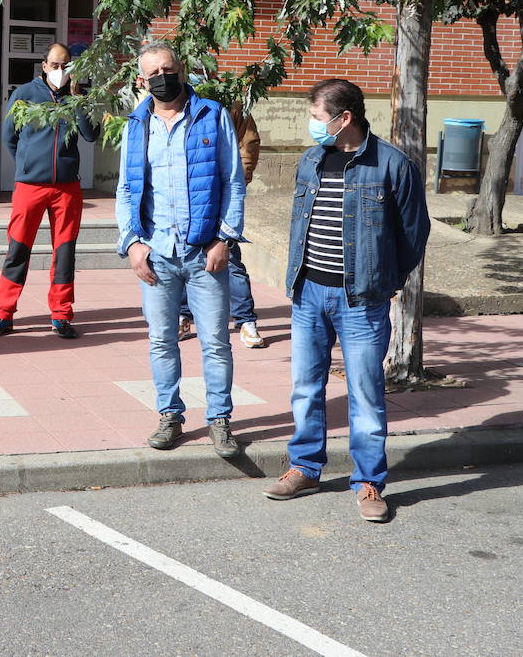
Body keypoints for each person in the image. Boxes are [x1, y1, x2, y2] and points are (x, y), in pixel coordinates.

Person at [263, 78, 430, 522]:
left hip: (361, 300)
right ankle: (305, 467)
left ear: (345, 118)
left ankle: (370, 481)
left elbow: (415, 234)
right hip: (308, 293)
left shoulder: (393, 165)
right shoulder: (312, 159)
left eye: (318, 118)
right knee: (305, 387)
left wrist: (387, 279)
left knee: (365, 393)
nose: (312, 126)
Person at [115, 44, 247, 455]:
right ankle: (170, 415)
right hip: (157, 254)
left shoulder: (212, 114)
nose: (161, 77)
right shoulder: (136, 125)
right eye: (153, 72)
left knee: (215, 341)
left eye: (168, 69)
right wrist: (132, 243)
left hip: (204, 252)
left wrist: (225, 238)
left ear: (182, 69)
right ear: (142, 80)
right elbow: (125, 189)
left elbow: (233, 181)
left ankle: (220, 420)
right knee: (161, 341)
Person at [0, 43, 98, 339]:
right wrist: (26, 165)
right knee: (18, 249)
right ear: (44, 66)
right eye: (55, 65)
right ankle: (3, 314)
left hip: (67, 188)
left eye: (66, 66)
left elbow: (90, 134)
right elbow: (10, 137)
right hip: (30, 186)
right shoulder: (24, 94)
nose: (60, 71)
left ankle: (61, 314)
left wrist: (77, 97)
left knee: (65, 253)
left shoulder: (78, 97)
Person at [178, 97, 268, 349]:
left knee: (232, 262)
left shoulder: (227, 101)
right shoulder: (172, 103)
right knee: (183, 259)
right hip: (185, 201)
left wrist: (242, 174)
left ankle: (246, 320)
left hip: (218, 197)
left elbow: (248, 141)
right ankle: (184, 316)